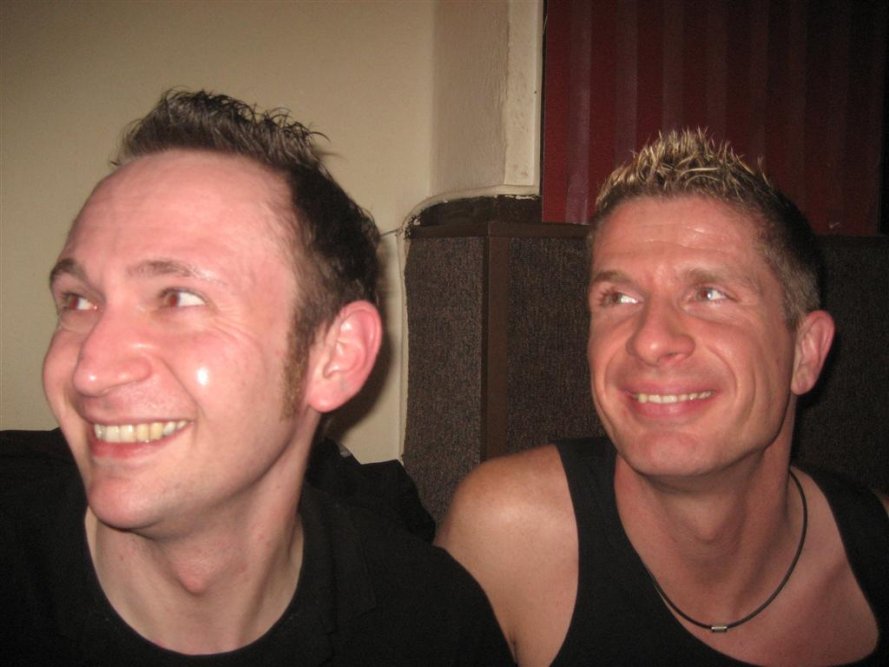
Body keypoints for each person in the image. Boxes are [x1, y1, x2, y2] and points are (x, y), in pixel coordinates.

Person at [0, 90, 513, 665]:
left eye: (178, 297)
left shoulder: (432, 623)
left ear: (336, 357)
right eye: (78, 301)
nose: (91, 371)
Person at [437, 129, 889, 666]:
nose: (649, 341)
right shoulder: (508, 535)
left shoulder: (877, 547)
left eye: (709, 293)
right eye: (619, 297)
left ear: (805, 354)